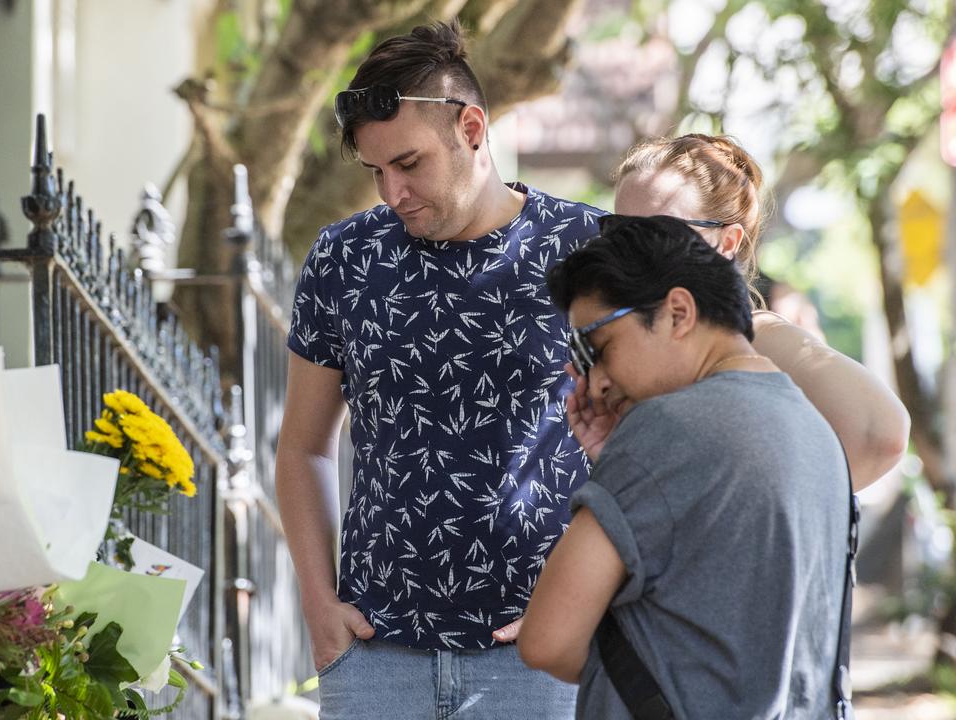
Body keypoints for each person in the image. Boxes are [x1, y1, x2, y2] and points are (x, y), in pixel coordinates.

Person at [277, 20, 598, 718]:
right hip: (373, 657)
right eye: (376, 171)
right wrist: (318, 607)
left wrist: (597, 597)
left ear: (473, 128)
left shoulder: (588, 251)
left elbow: (650, 442)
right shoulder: (343, 259)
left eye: (410, 163)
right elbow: (303, 447)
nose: (392, 191)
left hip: (542, 656)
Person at [518, 214, 851, 718]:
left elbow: (547, 640)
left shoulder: (666, 430)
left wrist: (629, 460)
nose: (596, 382)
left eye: (598, 348)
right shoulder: (816, 430)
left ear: (677, 312)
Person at [609, 133, 908, 490]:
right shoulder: (617, 333)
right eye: (616, 231)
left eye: (659, 232)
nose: (631, 251)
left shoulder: (755, 336)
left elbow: (881, 434)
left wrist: (763, 515)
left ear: (727, 243)